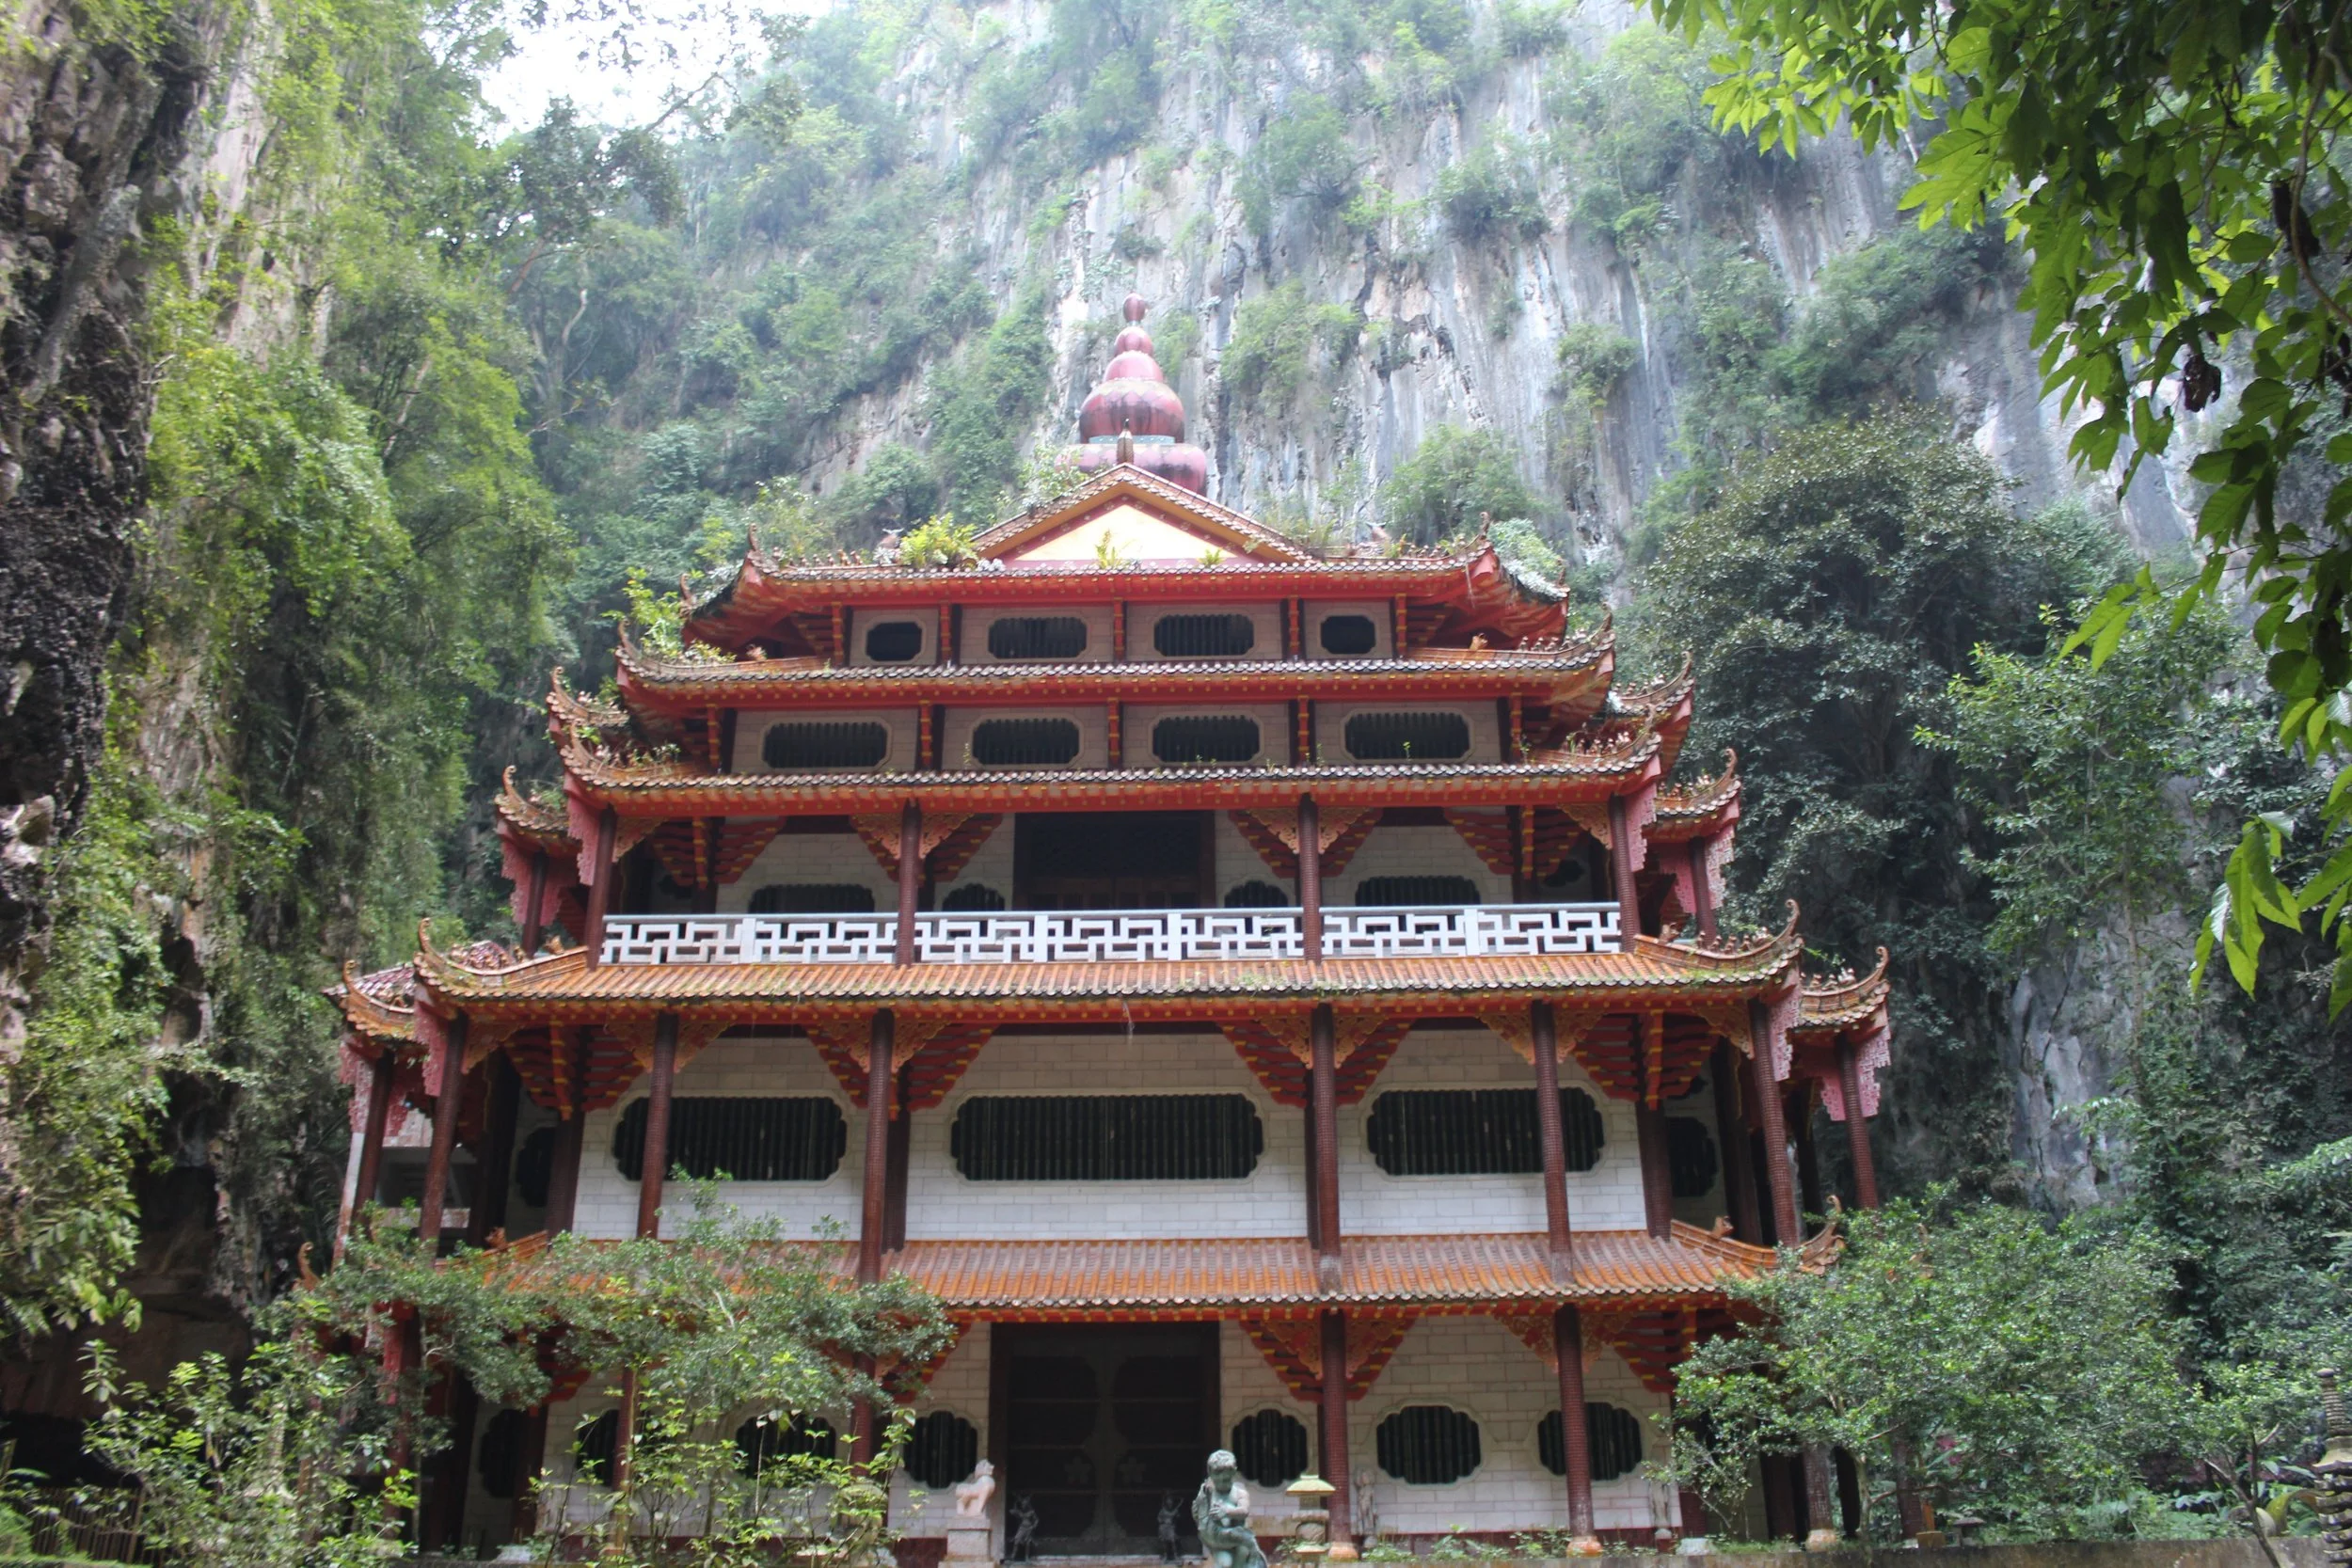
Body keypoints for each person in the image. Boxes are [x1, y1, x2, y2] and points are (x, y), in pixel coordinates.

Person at [1192, 1450, 1266, 1568]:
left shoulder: (1239, 1493)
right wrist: (1197, 1512)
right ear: (1210, 1473)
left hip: (1238, 1541)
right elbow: (1201, 1520)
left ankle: (1254, 1560)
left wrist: (1227, 1511)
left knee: (1244, 1551)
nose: (1222, 1482)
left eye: (1226, 1479)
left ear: (1234, 1472)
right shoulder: (1207, 1492)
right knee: (1225, 1562)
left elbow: (1244, 1511)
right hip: (1216, 1540)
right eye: (1218, 1479)